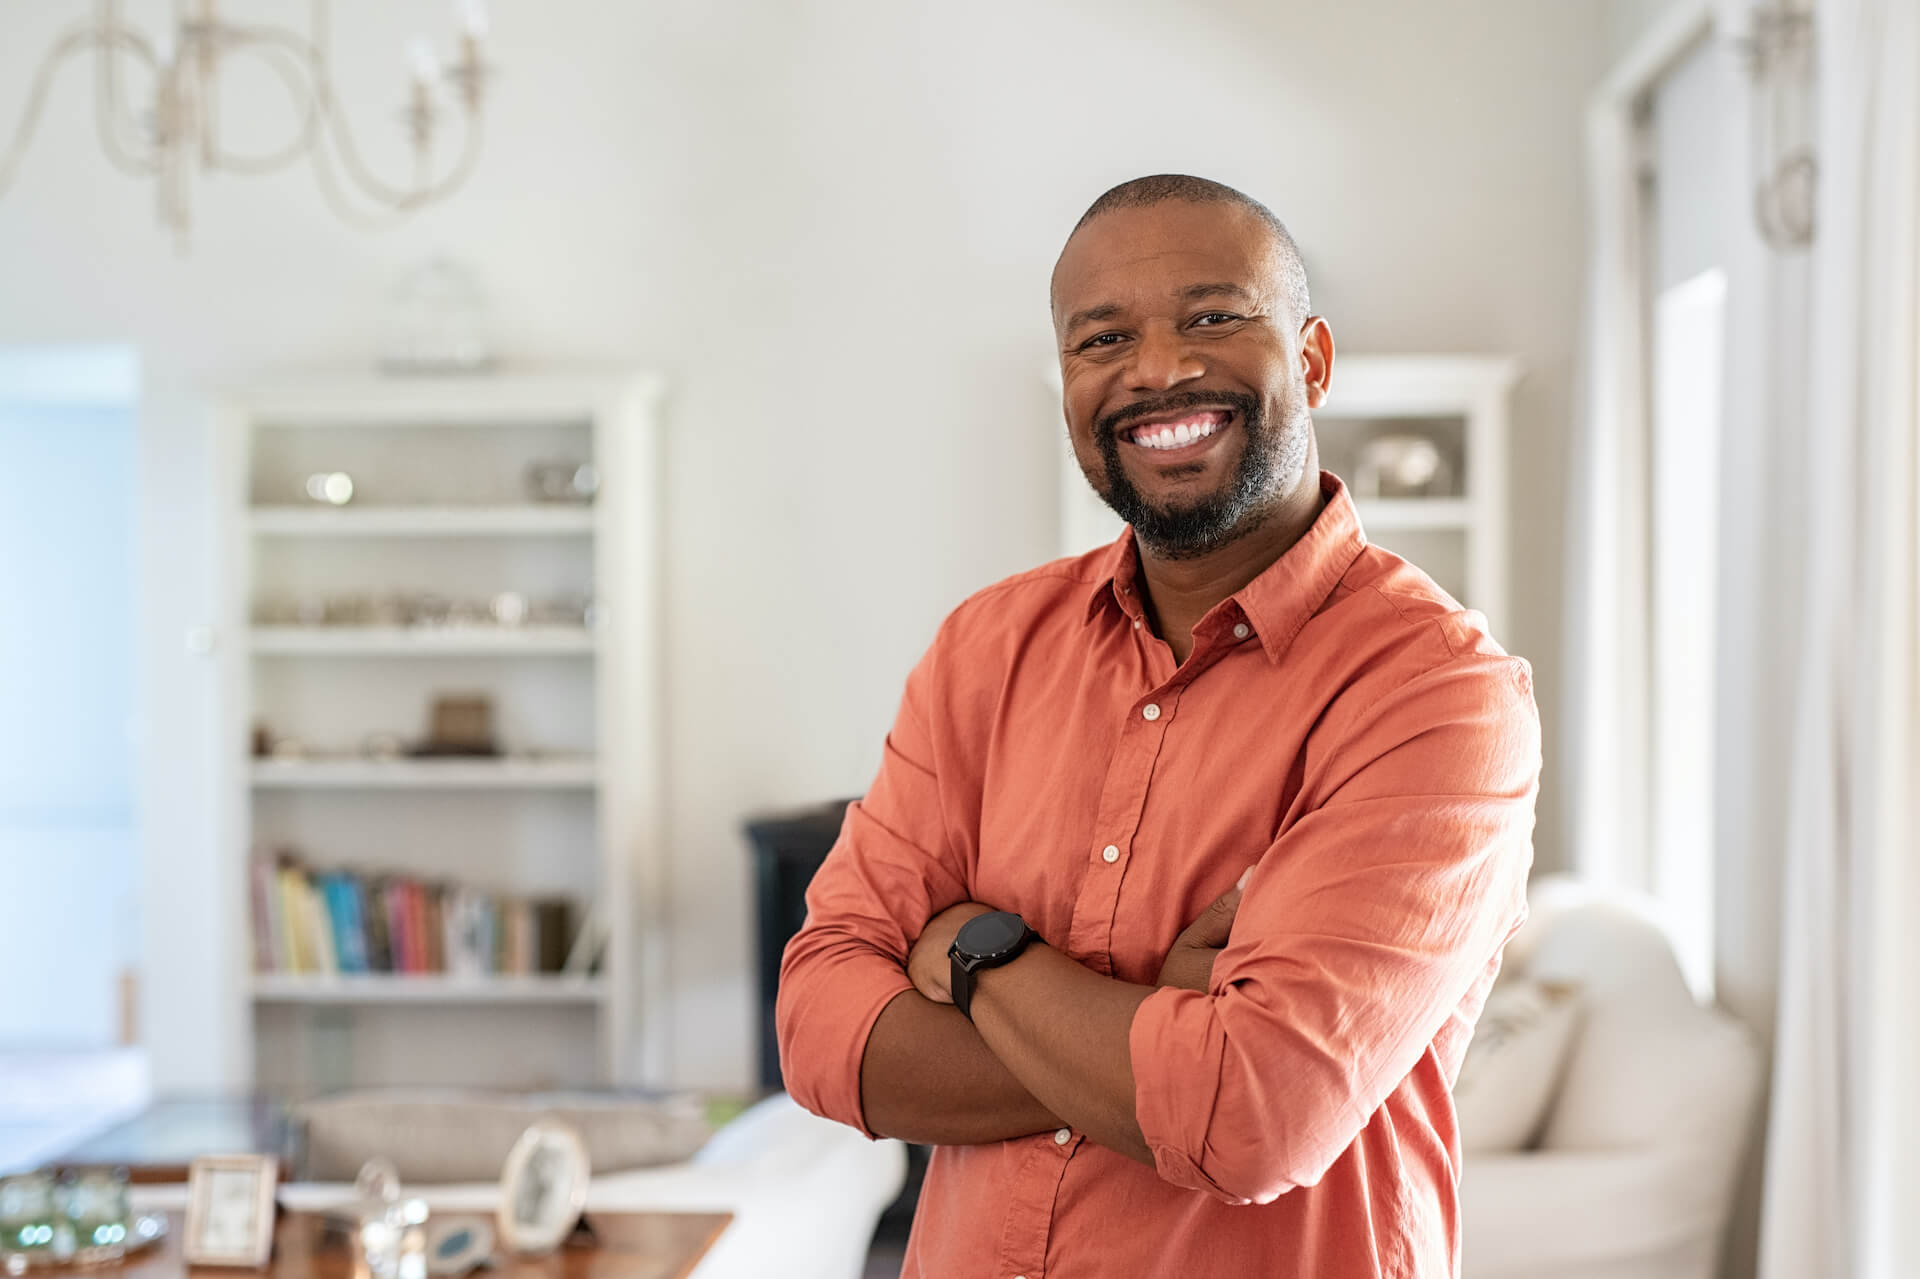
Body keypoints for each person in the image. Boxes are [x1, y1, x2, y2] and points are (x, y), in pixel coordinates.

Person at [776, 174, 1541, 1278]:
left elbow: (1253, 1112)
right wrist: (1157, 1020)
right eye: (1103, 340)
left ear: (1313, 358)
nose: (1157, 369)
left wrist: (983, 958)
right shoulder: (984, 650)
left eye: (1214, 317)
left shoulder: (1435, 694)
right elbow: (818, 1027)